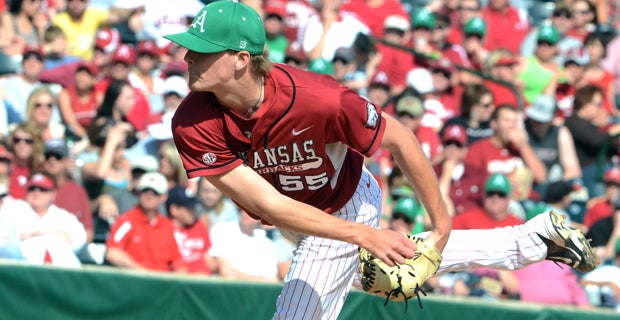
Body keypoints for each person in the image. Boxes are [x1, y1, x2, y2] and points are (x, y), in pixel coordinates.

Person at [164, 2, 597, 318]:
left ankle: (528, 240)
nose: (187, 57)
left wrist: (440, 226)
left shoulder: (320, 99)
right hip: (298, 215)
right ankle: (535, 239)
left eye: (202, 50)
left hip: (345, 199)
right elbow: (269, 205)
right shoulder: (191, 121)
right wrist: (366, 239)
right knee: (379, 262)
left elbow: (404, 140)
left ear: (242, 60)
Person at [105, 172, 186, 272]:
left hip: (163, 284)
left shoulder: (169, 227)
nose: (149, 195)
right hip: (135, 283)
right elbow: (112, 253)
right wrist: (144, 274)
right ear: (139, 193)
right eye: (145, 190)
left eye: (155, 192)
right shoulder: (126, 221)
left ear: (164, 197)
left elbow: (180, 265)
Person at [167, 185, 217, 275]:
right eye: (189, 208)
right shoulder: (165, 230)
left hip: (206, 279)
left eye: (194, 207)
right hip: (183, 282)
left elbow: (207, 258)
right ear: (174, 209)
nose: (193, 211)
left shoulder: (199, 225)